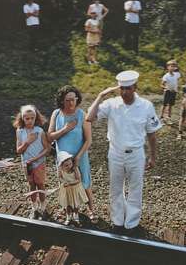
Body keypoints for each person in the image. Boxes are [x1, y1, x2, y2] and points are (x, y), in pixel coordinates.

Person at [87, 70, 162, 235]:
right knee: (115, 188)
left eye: (128, 88)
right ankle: (117, 221)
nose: (124, 92)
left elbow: (152, 133)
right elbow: (89, 117)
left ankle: (132, 224)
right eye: (122, 88)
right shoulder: (112, 104)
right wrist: (100, 95)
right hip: (115, 153)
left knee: (135, 189)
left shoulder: (146, 106)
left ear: (135, 87)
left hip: (136, 153)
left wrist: (153, 156)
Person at [48, 85, 96, 221]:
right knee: (66, 183)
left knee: (85, 182)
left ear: (77, 99)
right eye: (67, 100)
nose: (71, 103)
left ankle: (91, 209)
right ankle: (68, 210)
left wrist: (78, 157)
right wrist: (65, 129)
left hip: (80, 155)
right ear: (62, 100)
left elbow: (88, 140)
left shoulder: (82, 115)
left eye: (73, 99)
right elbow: (50, 137)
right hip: (63, 157)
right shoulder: (56, 114)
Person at [13, 104, 51, 220]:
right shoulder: (20, 131)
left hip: (38, 163)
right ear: (22, 118)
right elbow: (18, 151)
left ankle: (43, 206)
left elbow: (47, 149)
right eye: (26, 118)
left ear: (36, 118)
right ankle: (34, 207)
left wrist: (35, 158)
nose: (29, 121)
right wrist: (28, 142)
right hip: (26, 164)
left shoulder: (39, 131)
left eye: (32, 118)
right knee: (31, 185)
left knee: (40, 184)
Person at [57, 151, 88, 226]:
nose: (69, 166)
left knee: (75, 204)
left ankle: (76, 215)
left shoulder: (75, 169)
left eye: (70, 164)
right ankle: (68, 216)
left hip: (75, 188)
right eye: (66, 165)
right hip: (67, 189)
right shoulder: (60, 170)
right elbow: (60, 177)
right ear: (62, 165)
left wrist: (70, 183)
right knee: (67, 204)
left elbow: (79, 180)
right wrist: (63, 182)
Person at [160, 59, 181, 124]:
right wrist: (167, 88)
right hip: (167, 92)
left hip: (173, 92)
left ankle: (168, 118)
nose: (172, 67)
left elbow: (177, 79)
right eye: (170, 66)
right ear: (167, 67)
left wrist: (176, 88)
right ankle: (161, 118)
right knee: (164, 105)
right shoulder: (166, 76)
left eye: (173, 66)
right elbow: (161, 85)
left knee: (170, 105)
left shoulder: (177, 74)